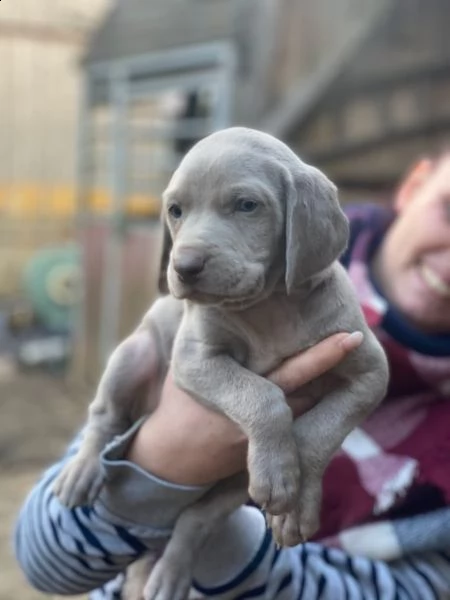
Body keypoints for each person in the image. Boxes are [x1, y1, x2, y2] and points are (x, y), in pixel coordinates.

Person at [14, 151, 450, 599]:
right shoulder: (220, 297)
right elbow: (47, 561)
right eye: (448, 209)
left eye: (245, 207)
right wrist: (159, 460)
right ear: (415, 185)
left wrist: (214, 538)